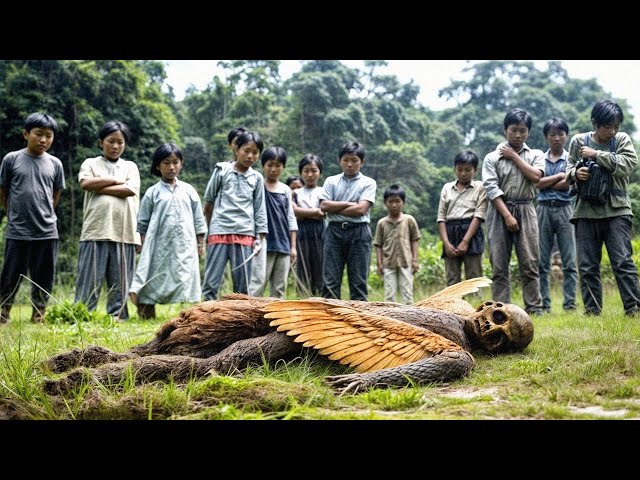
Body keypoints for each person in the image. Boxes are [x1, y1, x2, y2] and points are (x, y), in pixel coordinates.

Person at [565, 100, 640, 316]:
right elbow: (568, 168)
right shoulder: (579, 141)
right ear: (595, 123)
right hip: (585, 211)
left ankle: (634, 307)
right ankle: (592, 311)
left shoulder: (621, 140)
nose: (613, 131)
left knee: (623, 262)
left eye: (616, 125)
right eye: (608, 126)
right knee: (587, 265)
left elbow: (628, 165)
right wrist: (575, 174)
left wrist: (597, 155)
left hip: (617, 211)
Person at [128, 143, 207, 319]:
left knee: (187, 280)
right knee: (152, 277)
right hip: (158, 246)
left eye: (175, 162)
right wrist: (141, 244)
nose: (171, 167)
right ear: (158, 165)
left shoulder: (189, 191)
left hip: (184, 246)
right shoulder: (152, 192)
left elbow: (199, 221)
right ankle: (146, 313)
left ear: (181, 163)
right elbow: (142, 222)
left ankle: (191, 318)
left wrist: (200, 243)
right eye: (166, 162)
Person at [0, 112, 65, 324]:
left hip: (47, 229)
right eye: (38, 134)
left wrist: (47, 213)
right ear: (26, 134)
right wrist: (12, 213)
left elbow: (55, 193)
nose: (43, 140)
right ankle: (3, 311)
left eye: (49, 135)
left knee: (44, 275)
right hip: (18, 229)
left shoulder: (55, 164)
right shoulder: (11, 159)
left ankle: (39, 314)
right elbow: (3, 190)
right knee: (10, 274)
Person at [75, 121, 140, 321]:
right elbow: (86, 183)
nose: (115, 146)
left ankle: (117, 316)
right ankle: (83, 315)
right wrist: (116, 180)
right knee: (89, 280)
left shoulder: (130, 166)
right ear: (101, 142)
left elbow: (129, 190)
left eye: (120, 142)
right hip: (95, 230)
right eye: (111, 141)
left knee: (120, 281)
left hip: (124, 232)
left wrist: (100, 184)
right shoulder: (90, 163)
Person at [482, 108, 545, 315]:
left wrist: (514, 157)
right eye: (514, 130)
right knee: (499, 265)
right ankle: (501, 310)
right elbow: (491, 188)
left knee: (530, 262)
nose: (518, 135)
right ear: (505, 130)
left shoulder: (535, 154)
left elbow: (536, 177)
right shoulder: (492, 157)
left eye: (523, 131)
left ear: (528, 132)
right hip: (499, 210)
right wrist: (507, 215)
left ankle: (534, 308)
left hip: (526, 208)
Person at [202, 131, 267, 300]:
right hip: (219, 231)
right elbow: (208, 202)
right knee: (212, 280)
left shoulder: (257, 178)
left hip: (245, 233)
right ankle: (206, 317)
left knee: (243, 284)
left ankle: (237, 320)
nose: (250, 156)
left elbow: (260, 209)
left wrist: (260, 237)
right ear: (236, 149)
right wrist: (211, 228)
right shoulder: (221, 171)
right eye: (246, 150)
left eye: (255, 152)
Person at [319, 141, 376, 301]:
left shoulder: (368, 182)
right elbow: (323, 205)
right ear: (339, 160)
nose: (349, 164)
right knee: (330, 282)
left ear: (362, 162)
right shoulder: (331, 181)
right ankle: (329, 322)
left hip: (359, 233)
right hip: (334, 232)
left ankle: (358, 322)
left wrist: (335, 207)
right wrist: (349, 204)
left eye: (354, 160)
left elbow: (361, 210)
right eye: (346, 160)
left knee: (358, 282)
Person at [536, 117, 577, 312]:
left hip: (565, 208)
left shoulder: (571, 158)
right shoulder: (539, 159)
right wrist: (560, 176)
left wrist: (548, 181)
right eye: (552, 134)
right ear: (546, 137)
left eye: (561, 134)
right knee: (542, 261)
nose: (557, 138)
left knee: (569, 260)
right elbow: (536, 183)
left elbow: (567, 184)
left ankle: (569, 304)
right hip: (542, 208)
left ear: (566, 136)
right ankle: (544, 305)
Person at [248, 147, 298, 298]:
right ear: (263, 166)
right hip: (263, 243)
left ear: (283, 166)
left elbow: (291, 217)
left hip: (283, 243)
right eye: (270, 165)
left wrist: (293, 247)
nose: (273, 169)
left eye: (278, 165)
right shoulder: (258, 187)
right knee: (258, 284)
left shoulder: (285, 190)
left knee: (279, 288)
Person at [437, 150, 487, 287]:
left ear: (475, 170)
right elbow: (441, 217)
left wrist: (465, 241)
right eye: (459, 169)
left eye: (467, 170)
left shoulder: (480, 187)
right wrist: (446, 243)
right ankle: (452, 308)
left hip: (471, 231)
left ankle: (476, 308)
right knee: (452, 278)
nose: (463, 173)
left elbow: (479, 215)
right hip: (450, 231)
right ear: (454, 169)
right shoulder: (447, 188)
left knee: (474, 277)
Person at [374, 184, 421, 304]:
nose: (394, 205)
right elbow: (378, 244)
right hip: (388, 263)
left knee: (408, 294)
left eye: (397, 201)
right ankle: (391, 320)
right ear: (385, 203)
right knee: (389, 295)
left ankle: (409, 319)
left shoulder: (409, 220)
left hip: (406, 262)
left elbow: (415, 239)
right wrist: (379, 263)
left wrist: (415, 260)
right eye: (390, 201)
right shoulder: (382, 223)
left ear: (403, 202)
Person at [292, 154, 325, 296]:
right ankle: (303, 296)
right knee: (303, 265)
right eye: (306, 171)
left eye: (314, 170)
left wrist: (304, 212)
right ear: (301, 172)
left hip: (320, 231)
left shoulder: (324, 191)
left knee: (320, 263)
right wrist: (315, 212)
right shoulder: (295, 192)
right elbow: (294, 211)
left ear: (320, 172)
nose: (310, 175)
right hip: (302, 230)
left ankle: (321, 297)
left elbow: (324, 212)